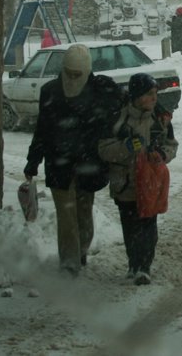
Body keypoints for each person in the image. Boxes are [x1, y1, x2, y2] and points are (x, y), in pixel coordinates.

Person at [23, 44, 122, 275]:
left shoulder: (98, 91)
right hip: (59, 164)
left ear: (87, 71)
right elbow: (42, 130)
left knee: (84, 214)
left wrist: (111, 90)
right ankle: (69, 262)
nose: (71, 78)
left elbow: (118, 111)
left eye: (77, 74)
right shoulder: (50, 91)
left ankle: (81, 251)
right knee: (66, 215)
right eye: (68, 72)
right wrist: (32, 161)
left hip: (89, 164)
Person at [98, 73, 178, 286]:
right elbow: (103, 149)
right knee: (130, 225)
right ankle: (134, 263)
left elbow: (172, 145)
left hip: (150, 184)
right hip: (125, 183)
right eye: (149, 94)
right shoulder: (118, 119)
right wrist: (125, 148)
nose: (154, 98)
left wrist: (163, 155)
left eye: (155, 94)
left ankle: (144, 266)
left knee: (149, 226)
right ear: (137, 96)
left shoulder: (160, 119)